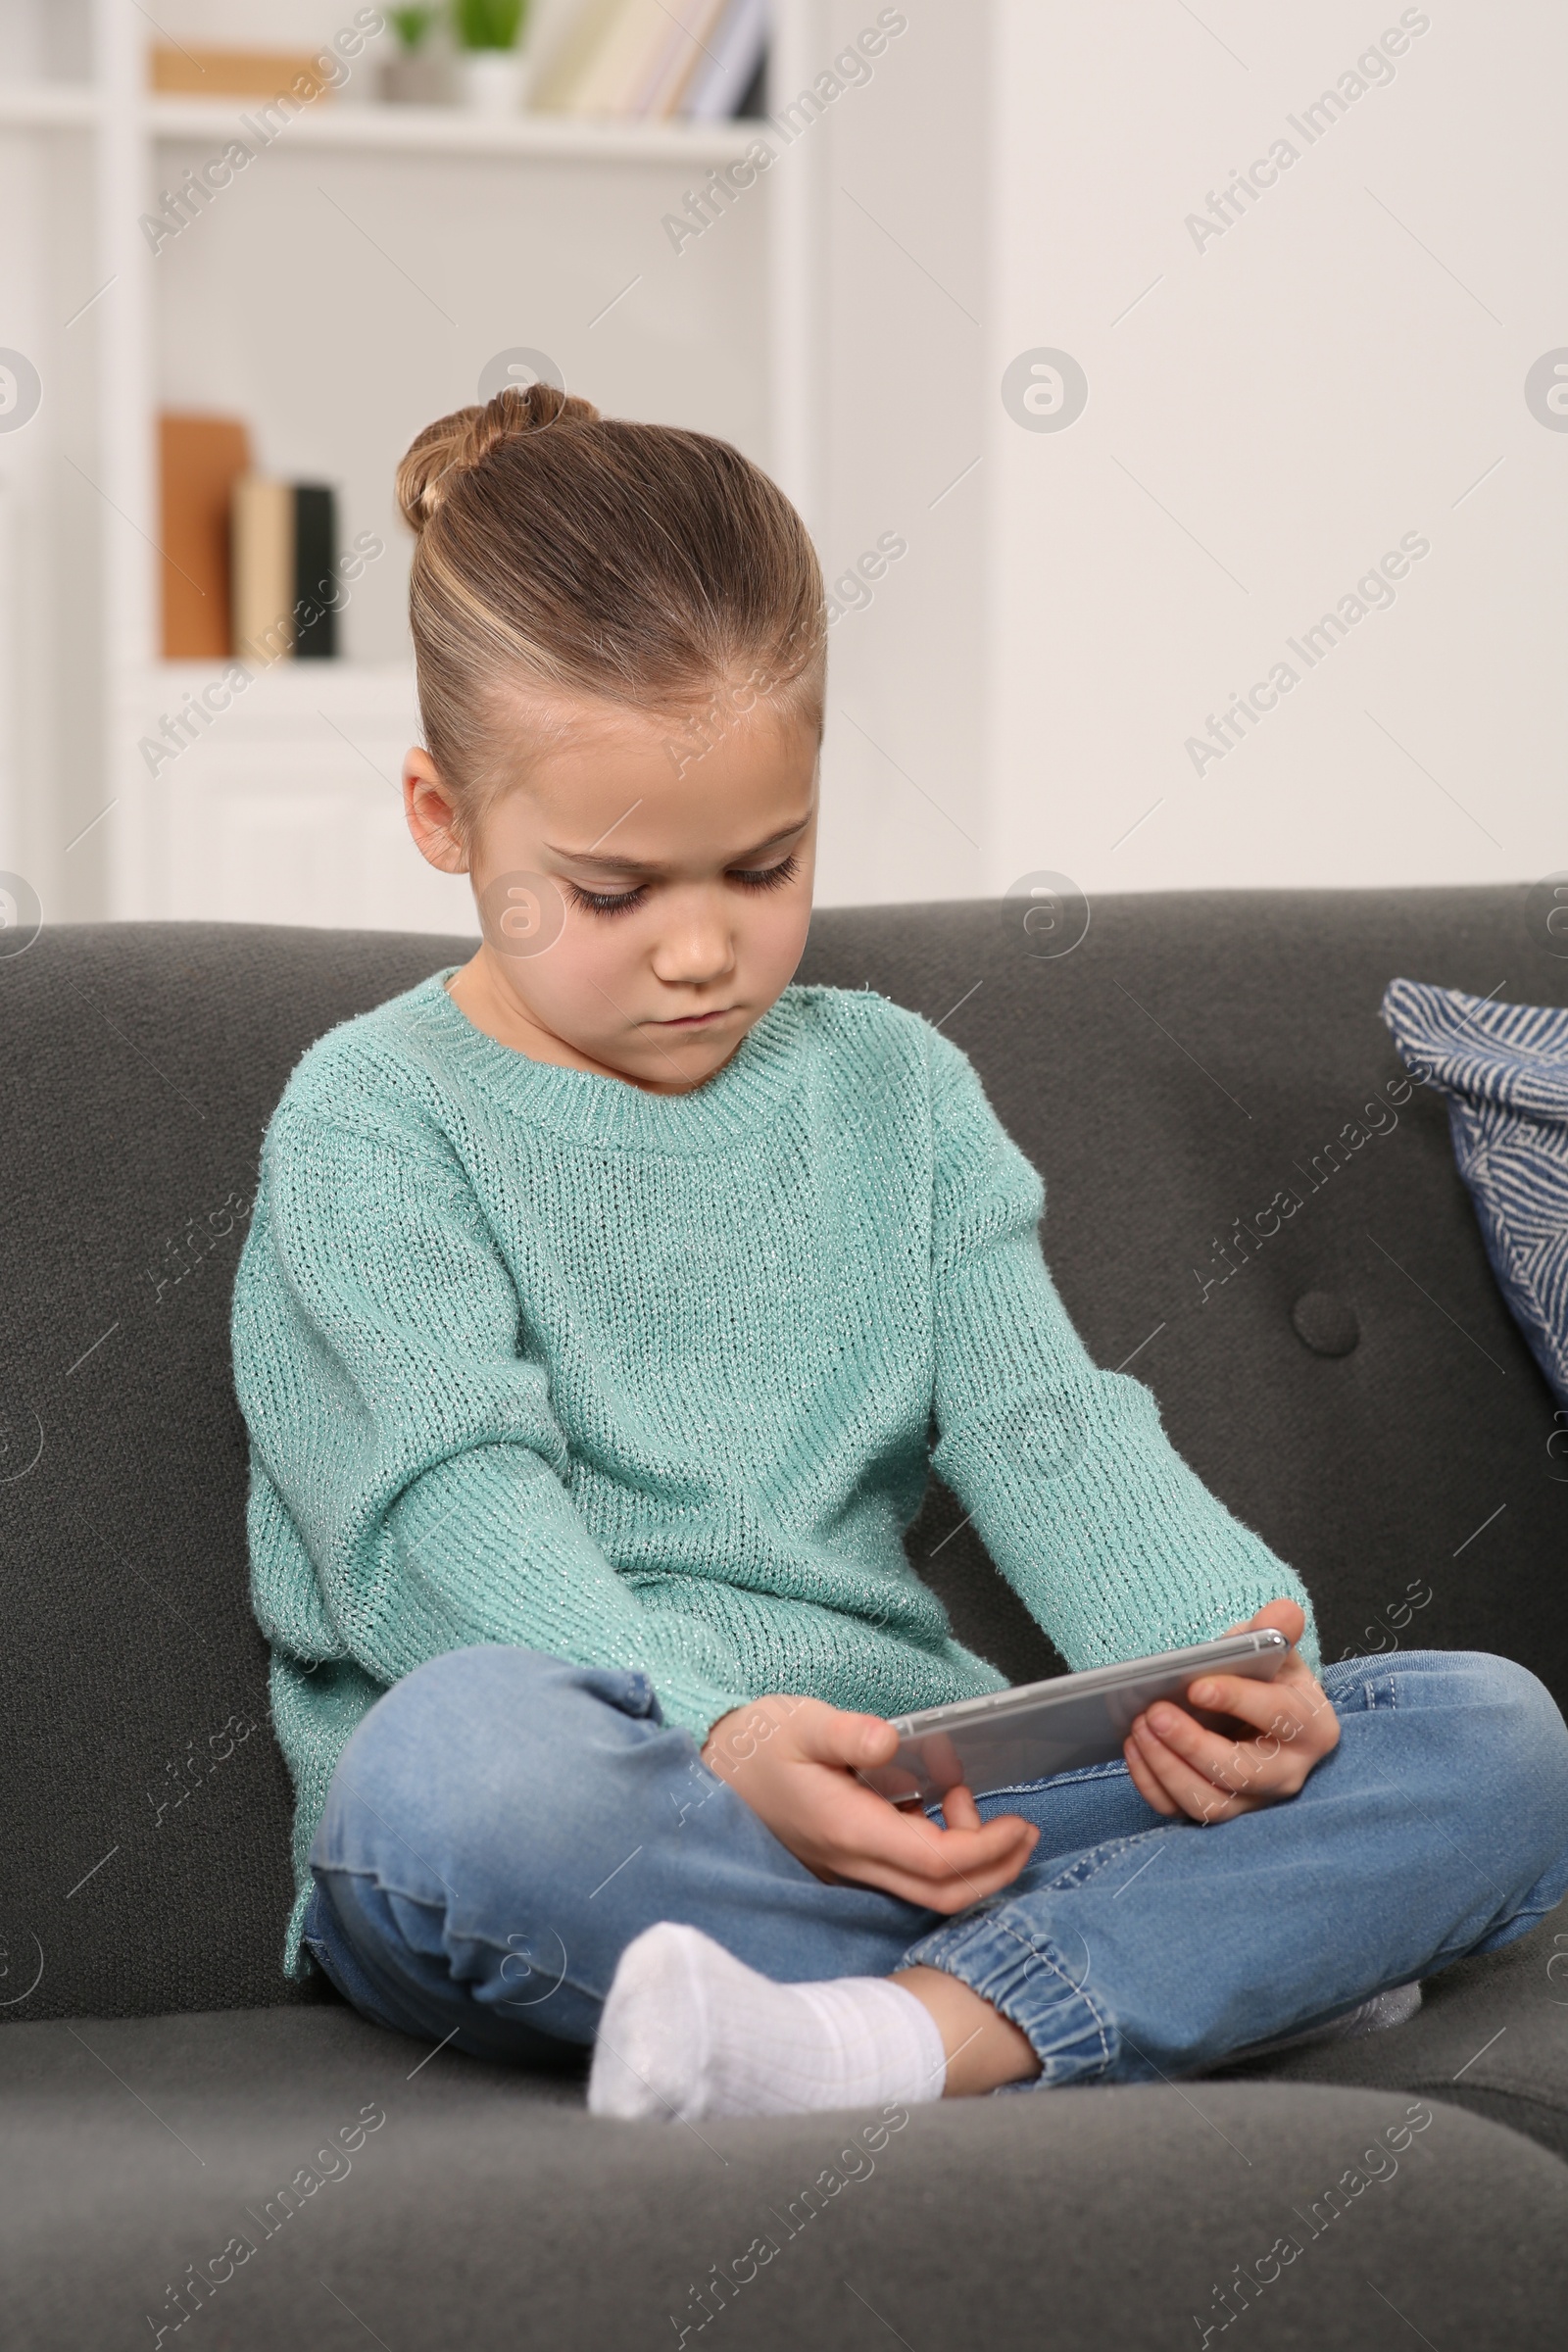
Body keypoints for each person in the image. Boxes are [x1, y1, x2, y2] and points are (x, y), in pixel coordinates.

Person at [230, 383, 1568, 2123]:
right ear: (440, 816)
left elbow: (1046, 1425)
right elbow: (447, 1527)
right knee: (449, 1775)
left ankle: (889, 2039)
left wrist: (1238, 1670)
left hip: (922, 1812)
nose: (703, 950)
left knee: (1493, 1740)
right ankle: (1178, 1972)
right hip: (625, 1812)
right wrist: (725, 1738)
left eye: (765, 866)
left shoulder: (894, 1088)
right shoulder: (372, 1114)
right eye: (615, 892)